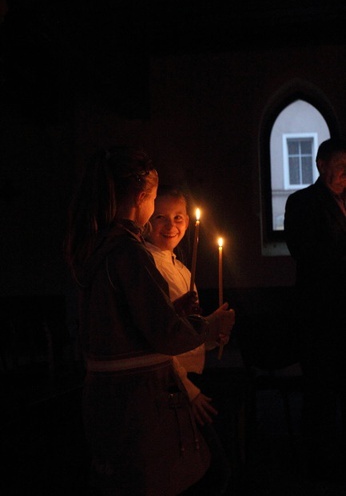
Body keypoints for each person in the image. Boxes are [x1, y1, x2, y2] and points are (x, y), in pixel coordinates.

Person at [65, 146, 234, 496]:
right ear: (143, 198)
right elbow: (165, 336)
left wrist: (176, 315)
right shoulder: (129, 253)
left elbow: (127, 325)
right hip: (140, 401)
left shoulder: (98, 245)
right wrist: (208, 327)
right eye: (155, 204)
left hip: (109, 396)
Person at [145, 185, 235, 495]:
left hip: (191, 379)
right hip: (174, 387)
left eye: (179, 217)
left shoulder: (182, 268)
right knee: (205, 472)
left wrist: (213, 333)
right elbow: (158, 339)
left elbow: (188, 333)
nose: (171, 226)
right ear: (145, 218)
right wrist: (189, 392)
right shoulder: (148, 267)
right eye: (161, 217)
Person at [284, 138, 346, 481]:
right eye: (341, 166)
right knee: (320, 391)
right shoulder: (302, 202)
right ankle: (319, 467)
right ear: (321, 164)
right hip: (320, 314)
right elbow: (305, 252)